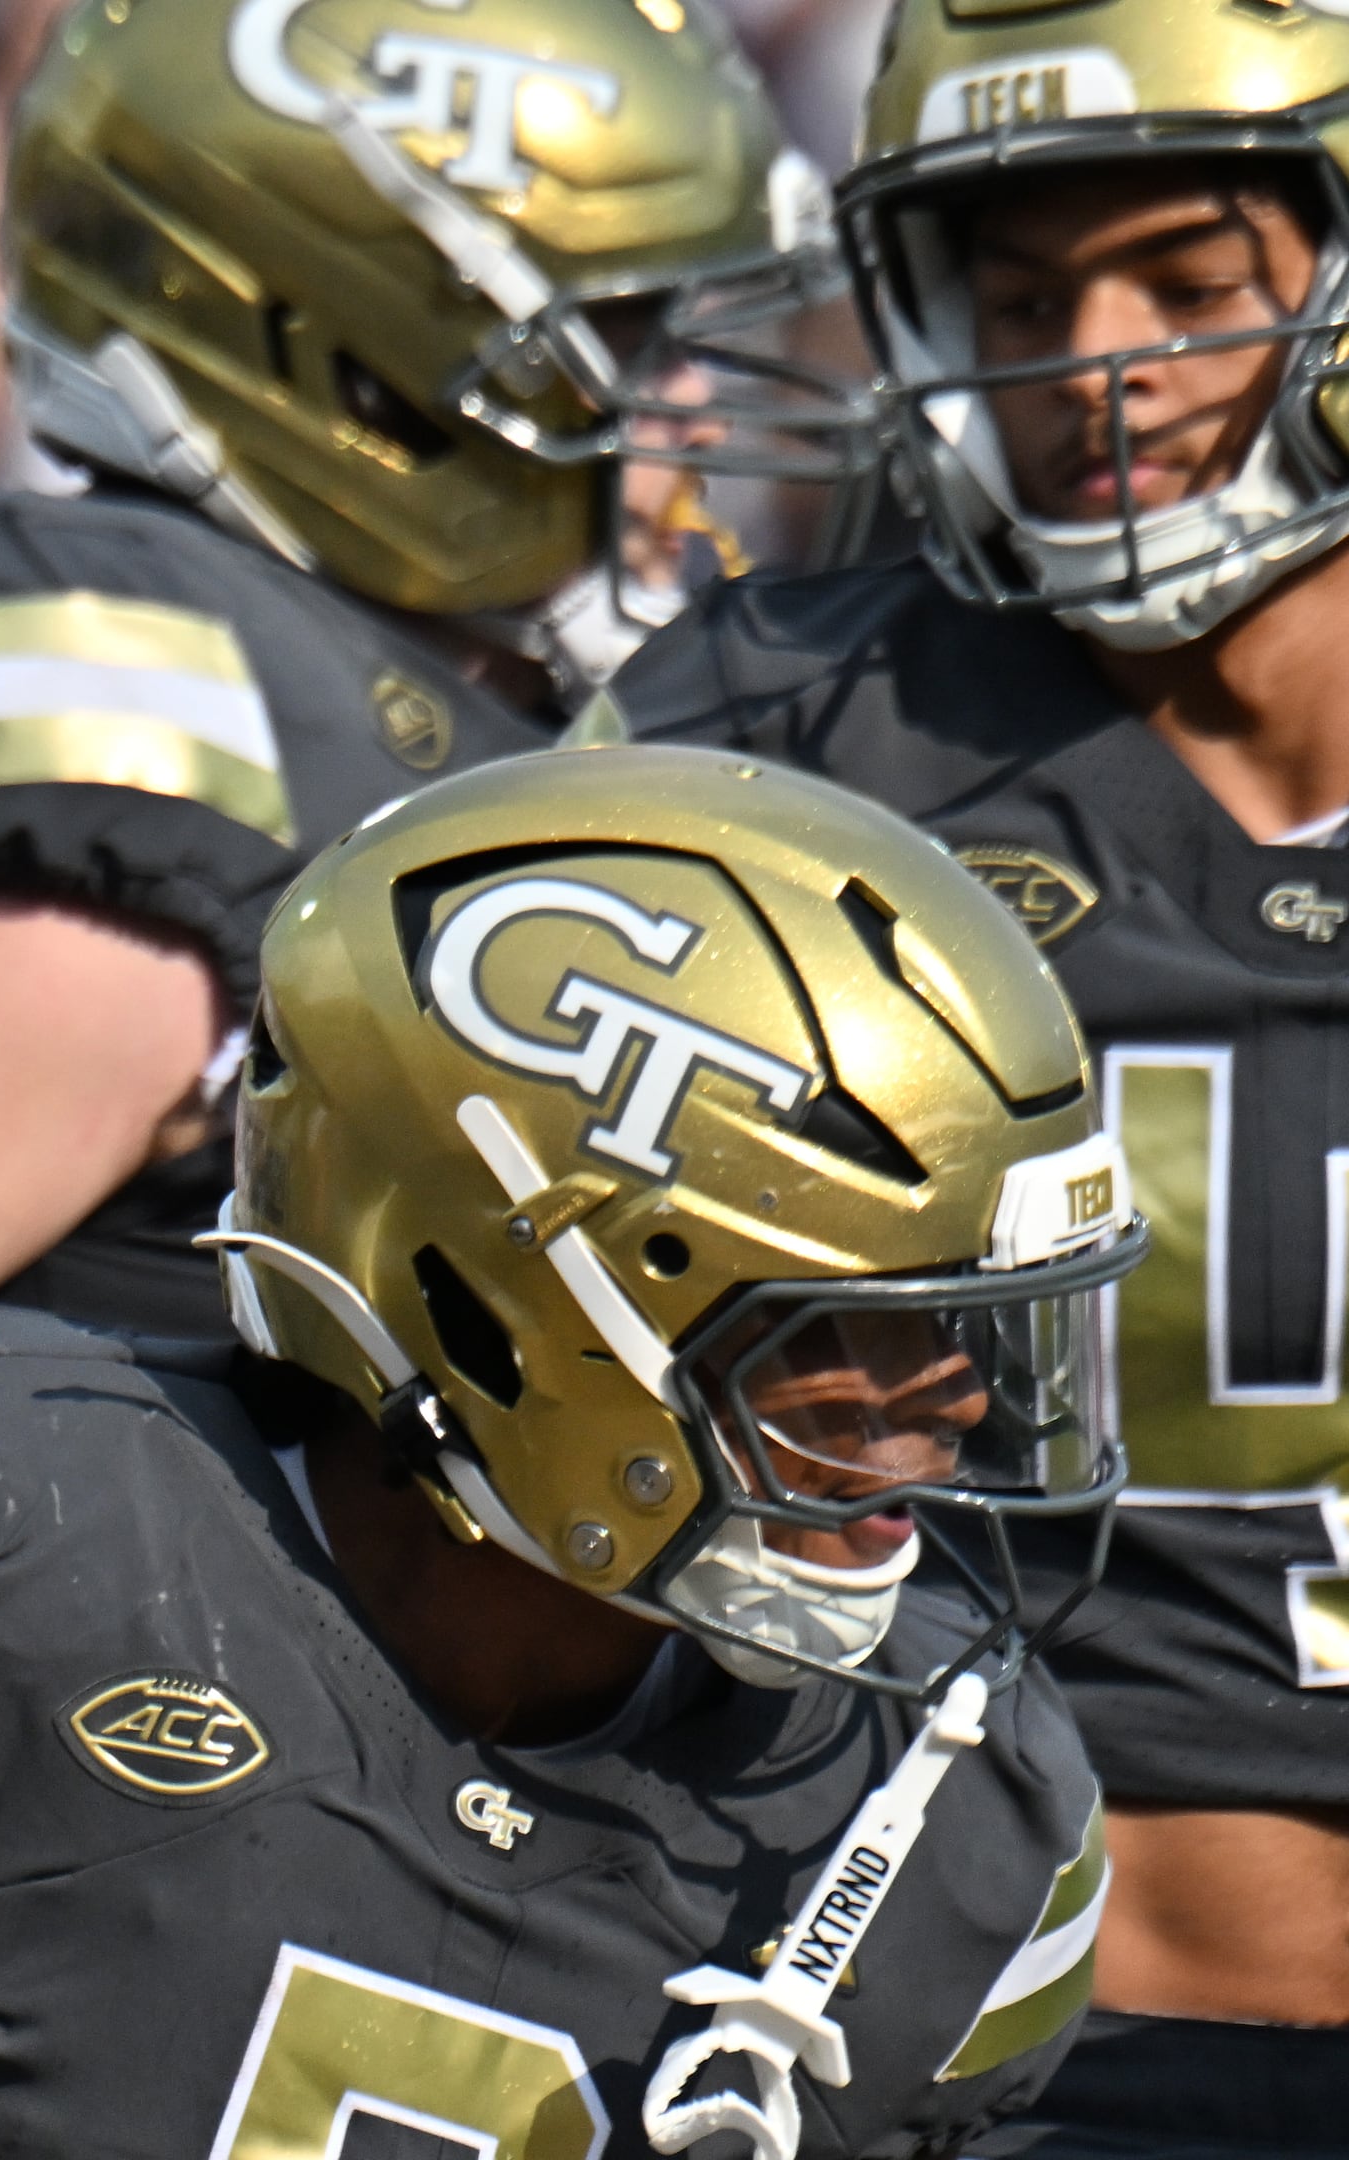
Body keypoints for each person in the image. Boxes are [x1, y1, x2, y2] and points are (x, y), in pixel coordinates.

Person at [0, 747, 1138, 2160]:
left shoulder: (937, 1826)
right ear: (524, 1302)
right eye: (838, 1332)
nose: (958, 1401)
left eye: (966, 1327)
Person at [0, 0, 862, 1346]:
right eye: (631, 333)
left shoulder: (483, 707)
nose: (693, 405)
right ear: (360, 359)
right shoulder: (143, 734)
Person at [590, 7, 1349, 2150]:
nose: (1097, 367)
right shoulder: (795, 738)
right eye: (1023, 300)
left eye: (1189, 286)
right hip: (1020, 2027)